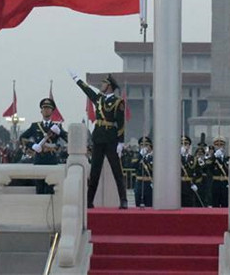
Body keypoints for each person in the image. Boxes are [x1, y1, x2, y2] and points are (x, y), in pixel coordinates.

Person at [69, 70, 128, 209]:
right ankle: (89, 200)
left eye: (104, 83)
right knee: (95, 170)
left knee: (117, 170)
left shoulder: (118, 102)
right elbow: (87, 91)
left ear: (109, 86)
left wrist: (121, 142)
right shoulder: (99, 99)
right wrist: (76, 79)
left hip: (111, 138)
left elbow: (121, 123)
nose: (101, 85)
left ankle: (123, 200)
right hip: (98, 137)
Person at [20, 97, 68, 194]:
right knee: (39, 189)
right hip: (39, 160)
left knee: (50, 190)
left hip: (52, 160)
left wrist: (60, 132)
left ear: (52, 111)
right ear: (41, 111)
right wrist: (32, 145)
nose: (46, 110)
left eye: (48, 108)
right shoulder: (35, 126)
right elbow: (22, 138)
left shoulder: (56, 127)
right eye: (44, 108)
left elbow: (68, 139)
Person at [133, 136, 153, 207]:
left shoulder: (154, 157)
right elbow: (133, 165)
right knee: (138, 205)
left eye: (146, 145)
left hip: (149, 184)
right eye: (142, 145)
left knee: (149, 205)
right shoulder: (138, 156)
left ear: (150, 146)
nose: (144, 147)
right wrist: (140, 155)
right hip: (139, 184)